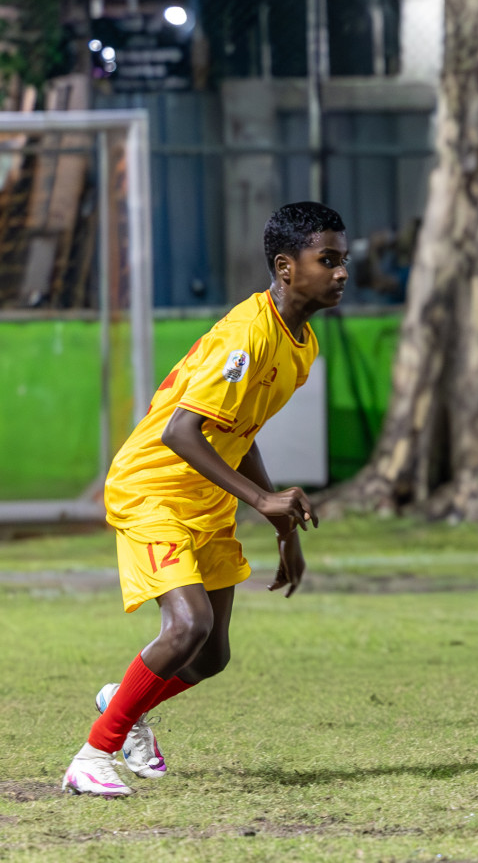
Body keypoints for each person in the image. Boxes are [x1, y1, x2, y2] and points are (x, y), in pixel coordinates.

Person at [61, 202, 349, 797]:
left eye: (344, 261)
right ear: (286, 266)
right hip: (153, 489)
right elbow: (180, 432)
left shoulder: (301, 345)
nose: (342, 272)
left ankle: (126, 698)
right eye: (328, 260)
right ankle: (94, 754)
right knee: (187, 624)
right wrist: (264, 502)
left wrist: (281, 524)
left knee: (210, 654)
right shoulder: (247, 336)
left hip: (206, 497)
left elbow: (238, 433)